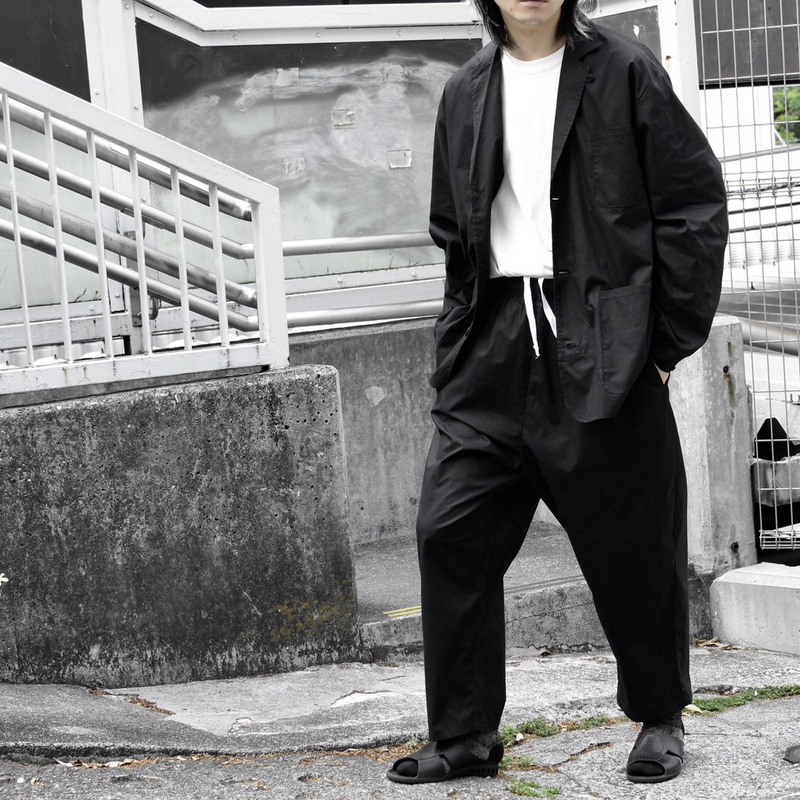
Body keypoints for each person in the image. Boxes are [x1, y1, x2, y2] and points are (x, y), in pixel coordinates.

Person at [386, 0, 728, 786]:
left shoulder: (626, 70)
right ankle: (465, 734)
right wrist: (458, 338)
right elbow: (452, 226)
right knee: (450, 529)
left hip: (603, 339)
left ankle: (659, 716)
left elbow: (693, 206)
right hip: (492, 346)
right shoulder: (467, 88)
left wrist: (664, 346)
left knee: (633, 546)